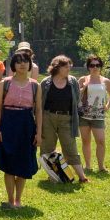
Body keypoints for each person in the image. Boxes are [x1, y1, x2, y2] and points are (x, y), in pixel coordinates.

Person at [0, 51, 43, 208]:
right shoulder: (5, 83)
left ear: (30, 64)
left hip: (26, 126)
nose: (22, 64)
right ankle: (9, 199)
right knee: (8, 164)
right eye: (19, 61)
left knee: (22, 164)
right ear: (13, 65)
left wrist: (39, 133)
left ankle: (18, 200)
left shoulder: (36, 85)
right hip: (7, 124)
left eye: (26, 61)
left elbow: (39, 111)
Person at [39, 55, 88, 183]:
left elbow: (77, 99)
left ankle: (82, 177)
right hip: (47, 117)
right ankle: (54, 176)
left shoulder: (72, 82)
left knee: (70, 147)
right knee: (48, 147)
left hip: (67, 118)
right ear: (57, 67)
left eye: (69, 65)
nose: (69, 68)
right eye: (66, 66)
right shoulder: (45, 82)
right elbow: (39, 102)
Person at [78, 54, 110, 173]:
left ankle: (101, 166)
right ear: (88, 67)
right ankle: (88, 166)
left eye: (97, 65)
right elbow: (76, 96)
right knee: (86, 140)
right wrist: (83, 88)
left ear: (101, 66)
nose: (95, 67)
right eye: (92, 65)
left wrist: (107, 107)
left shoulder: (105, 81)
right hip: (84, 115)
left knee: (100, 140)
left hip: (98, 116)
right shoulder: (82, 79)